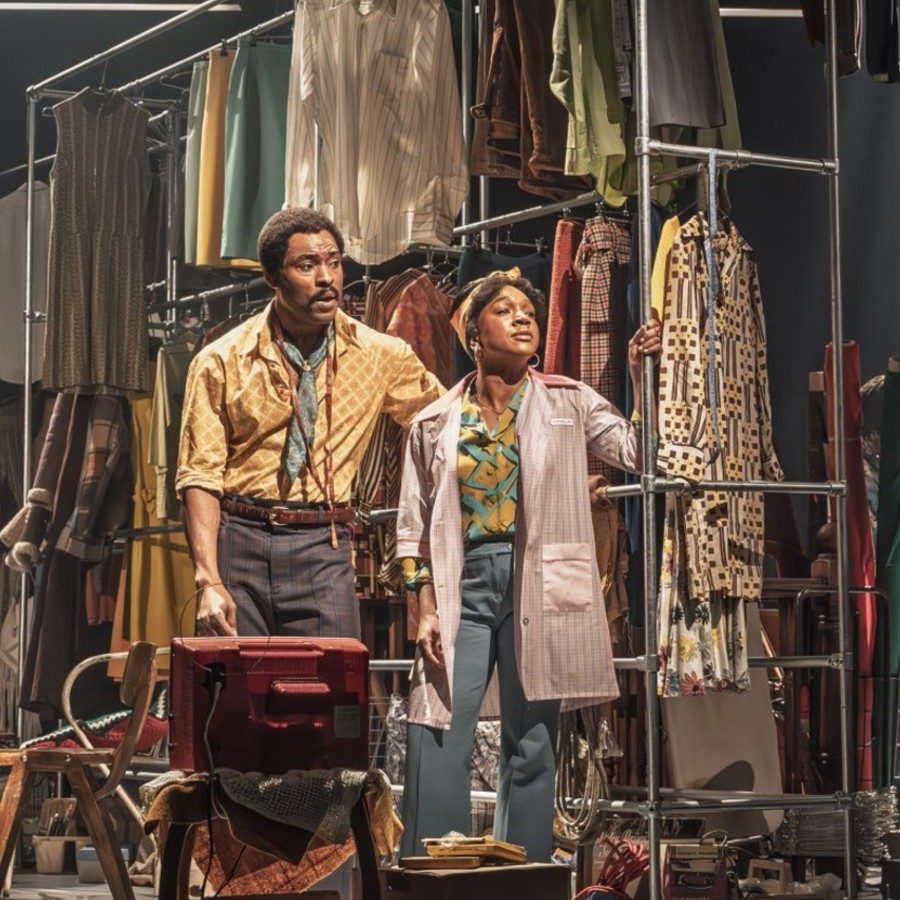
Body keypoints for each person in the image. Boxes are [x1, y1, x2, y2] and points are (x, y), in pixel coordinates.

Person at [396, 269, 661, 861]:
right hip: (462, 581)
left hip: (539, 583)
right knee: (438, 725)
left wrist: (642, 380)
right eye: (505, 310)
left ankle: (523, 871)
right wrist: (424, 608)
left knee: (534, 737)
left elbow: (640, 454)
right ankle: (435, 872)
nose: (522, 319)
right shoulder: (433, 421)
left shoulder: (567, 401)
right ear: (473, 333)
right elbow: (410, 531)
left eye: (530, 314)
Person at [176, 208, 443, 639]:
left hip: (325, 542)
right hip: (240, 538)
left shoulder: (381, 354)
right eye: (307, 265)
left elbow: (446, 423)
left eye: (334, 262)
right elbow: (199, 474)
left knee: (332, 692)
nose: (327, 278)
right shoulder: (220, 360)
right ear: (272, 276)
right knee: (237, 693)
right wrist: (209, 578)